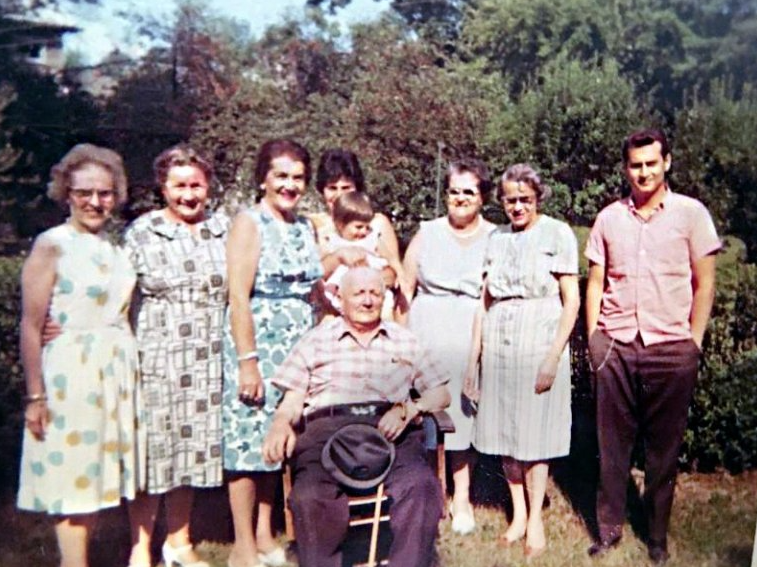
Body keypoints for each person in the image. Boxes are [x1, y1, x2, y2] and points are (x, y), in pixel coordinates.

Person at [585, 129, 720, 564]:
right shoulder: (609, 218)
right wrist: (594, 340)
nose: (643, 172)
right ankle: (608, 530)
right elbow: (596, 283)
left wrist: (692, 344)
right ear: (626, 169)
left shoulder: (691, 214)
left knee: (663, 451)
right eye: (635, 165)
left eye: (651, 163)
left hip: (670, 346)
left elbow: (705, 283)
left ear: (666, 163)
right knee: (612, 447)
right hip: (617, 345)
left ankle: (656, 535)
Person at [262, 266, 451, 567]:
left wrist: (409, 409)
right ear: (341, 300)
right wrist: (281, 423)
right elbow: (293, 398)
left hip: (390, 429)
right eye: (358, 293)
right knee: (309, 495)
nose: (367, 301)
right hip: (326, 431)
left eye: (375, 293)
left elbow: (440, 394)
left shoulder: (404, 340)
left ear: (385, 298)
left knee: (420, 486)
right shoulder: (317, 340)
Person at [17, 144, 143, 567]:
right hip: (72, 373)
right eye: (84, 192)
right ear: (66, 192)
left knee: (95, 475)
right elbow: (32, 327)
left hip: (115, 371)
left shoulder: (115, 248)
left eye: (105, 193)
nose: (95, 202)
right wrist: (35, 396)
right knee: (73, 476)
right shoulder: (52, 244)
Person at [465, 164, 580, 558]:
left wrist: (553, 358)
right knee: (504, 432)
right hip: (499, 341)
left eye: (525, 200)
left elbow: (572, 302)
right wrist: (472, 363)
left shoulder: (557, 233)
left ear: (538, 199)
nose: (517, 207)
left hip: (540, 339)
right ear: (501, 201)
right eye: (511, 200)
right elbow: (483, 303)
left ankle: (536, 521)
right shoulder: (495, 239)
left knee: (535, 433)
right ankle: (517, 514)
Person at [123, 146, 228, 567]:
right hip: (156, 354)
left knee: (191, 451)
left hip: (206, 355)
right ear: (163, 188)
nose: (188, 194)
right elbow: (115, 291)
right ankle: (140, 547)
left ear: (208, 186)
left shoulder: (222, 229)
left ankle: (179, 541)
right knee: (154, 452)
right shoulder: (141, 232)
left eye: (196, 185)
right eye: (179, 185)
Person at [223, 139, 323, 567]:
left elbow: (314, 287)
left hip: (296, 344)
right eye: (281, 175)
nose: (289, 185)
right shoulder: (249, 223)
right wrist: (248, 363)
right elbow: (239, 297)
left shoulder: (304, 226)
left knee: (277, 440)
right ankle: (242, 544)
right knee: (246, 445)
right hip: (257, 345)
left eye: (298, 177)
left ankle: (265, 534)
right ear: (263, 177)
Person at [402, 158, 496, 534]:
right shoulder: (427, 231)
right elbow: (406, 287)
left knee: (461, 416)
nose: (460, 199)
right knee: (426, 413)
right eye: (454, 191)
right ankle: (429, 492)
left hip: (467, 332)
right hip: (425, 330)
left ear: (482, 197)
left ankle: (461, 497)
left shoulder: (495, 235)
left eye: (468, 192)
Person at [310, 148, 405, 312]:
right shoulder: (314, 224)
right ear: (322, 190)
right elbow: (309, 277)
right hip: (330, 311)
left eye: (346, 188)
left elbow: (396, 274)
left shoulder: (377, 224)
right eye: (332, 188)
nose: (339, 195)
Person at [321, 192, 400, 318]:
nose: (363, 232)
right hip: (340, 296)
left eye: (367, 227)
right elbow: (321, 270)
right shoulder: (332, 242)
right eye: (358, 227)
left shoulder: (373, 239)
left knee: (385, 308)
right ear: (340, 225)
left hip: (371, 290)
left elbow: (391, 262)